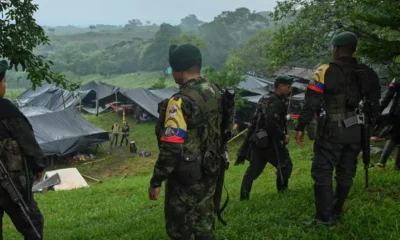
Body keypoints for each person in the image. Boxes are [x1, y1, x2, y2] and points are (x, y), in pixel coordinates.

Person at [294, 32, 381, 226]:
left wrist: (301, 126)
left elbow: (311, 103)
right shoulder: (369, 73)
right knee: (346, 173)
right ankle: (336, 211)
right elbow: (375, 106)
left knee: (322, 172)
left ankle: (324, 218)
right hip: (358, 132)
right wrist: (369, 130)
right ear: (353, 49)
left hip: (331, 131)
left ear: (336, 49)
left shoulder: (324, 70)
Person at [149, 44, 224, 240]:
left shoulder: (179, 102)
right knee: (204, 221)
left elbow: (171, 148)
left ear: (178, 70)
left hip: (187, 177)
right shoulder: (215, 91)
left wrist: (156, 181)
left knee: (181, 228)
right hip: (212, 167)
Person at [0, 60, 44, 239]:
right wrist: (38, 165)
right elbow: (26, 140)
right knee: (31, 222)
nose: (5, 85)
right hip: (10, 181)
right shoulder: (7, 110)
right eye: (4, 81)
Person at [236, 76, 294, 200]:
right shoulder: (275, 101)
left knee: (253, 170)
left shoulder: (265, 98)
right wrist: (283, 137)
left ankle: (244, 197)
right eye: (288, 87)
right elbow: (271, 123)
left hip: (258, 140)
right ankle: (282, 191)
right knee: (285, 164)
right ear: (281, 86)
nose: (289, 90)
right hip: (270, 142)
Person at [377, 77, 400, 169]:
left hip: (397, 112)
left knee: (393, 135)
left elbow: (389, 95)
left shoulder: (397, 79)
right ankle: (398, 166)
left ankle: (382, 160)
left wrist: (381, 109)